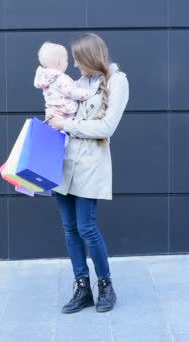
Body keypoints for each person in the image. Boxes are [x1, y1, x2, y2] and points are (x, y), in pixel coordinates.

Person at [47, 33, 129, 314]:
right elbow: (57, 113)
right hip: (62, 163)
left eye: (79, 60)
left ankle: (105, 285)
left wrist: (69, 125)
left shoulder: (118, 81)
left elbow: (107, 127)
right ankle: (82, 287)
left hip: (90, 166)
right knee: (69, 229)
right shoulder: (76, 83)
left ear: (91, 58)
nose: (75, 66)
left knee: (86, 227)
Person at [34, 42, 100, 122]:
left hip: (54, 112)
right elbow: (72, 92)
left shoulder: (47, 78)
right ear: (59, 63)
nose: (68, 63)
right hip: (65, 113)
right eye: (66, 60)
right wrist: (90, 93)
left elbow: (63, 89)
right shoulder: (60, 78)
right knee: (65, 131)